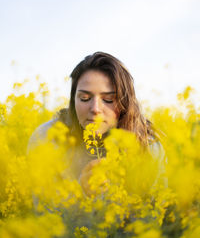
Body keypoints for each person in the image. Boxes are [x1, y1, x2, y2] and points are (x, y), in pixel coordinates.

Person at [28, 51, 165, 197]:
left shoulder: (148, 146)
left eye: (108, 100)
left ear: (125, 103)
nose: (95, 109)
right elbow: (43, 211)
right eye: (85, 98)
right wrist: (81, 193)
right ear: (73, 100)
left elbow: (155, 213)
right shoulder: (47, 138)